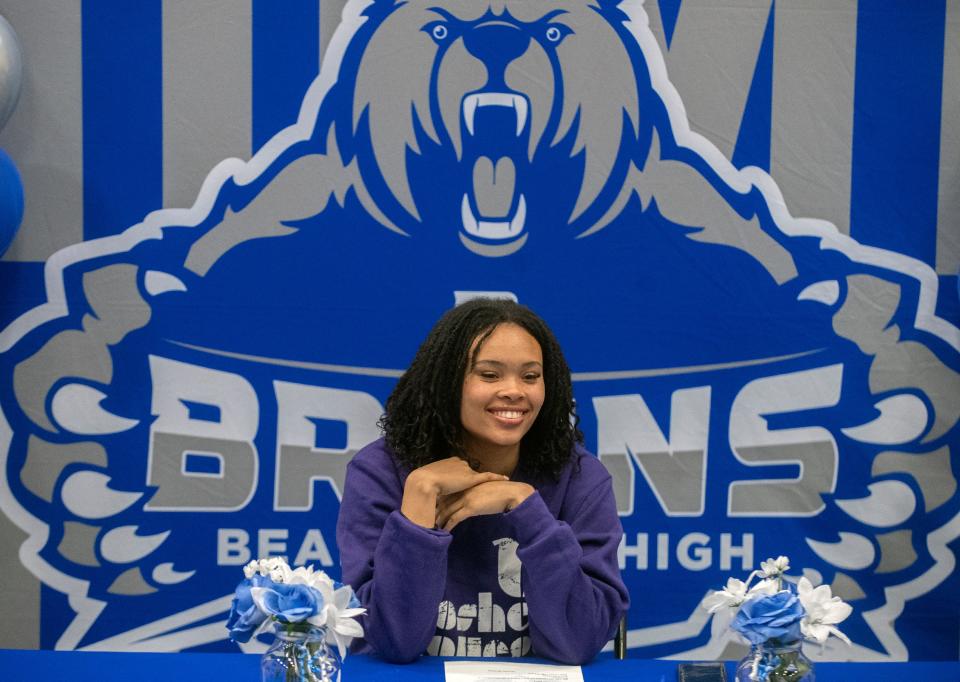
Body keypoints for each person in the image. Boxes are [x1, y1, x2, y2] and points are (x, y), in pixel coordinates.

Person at [336, 298, 629, 664]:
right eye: (489, 375)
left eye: (530, 376)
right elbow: (394, 642)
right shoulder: (379, 472)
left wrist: (527, 509)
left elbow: (578, 641)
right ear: (447, 383)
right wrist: (419, 498)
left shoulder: (581, 477)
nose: (514, 391)